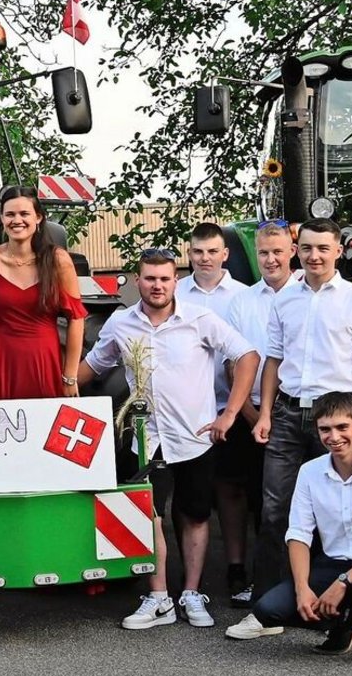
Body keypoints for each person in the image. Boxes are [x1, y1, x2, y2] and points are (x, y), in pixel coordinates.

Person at [77, 248, 257, 630]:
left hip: (194, 435)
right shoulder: (121, 324)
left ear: (176, 280)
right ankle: (158, 598)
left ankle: (192, 593)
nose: (157, 285)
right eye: (149, 278)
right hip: (144, 437)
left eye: (164, 278)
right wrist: (49, 388)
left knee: (194, 514)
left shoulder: (199, 319)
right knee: (149, 515)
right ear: (137, 280)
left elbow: (247, 356)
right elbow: (91, 369)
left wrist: (229, 413)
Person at [252, 218, 352, 601]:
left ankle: (343, 602)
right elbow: (273, 360)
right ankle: (270, 603)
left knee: (341, 514)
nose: (314, 256)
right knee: (275, 510)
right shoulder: (284, 300)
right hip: (289, 415)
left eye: (323, 248)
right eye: (307, 248)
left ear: (339, 251)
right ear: (297, 250)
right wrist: (264, 414)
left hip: (337, 419)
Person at [245, 392, 352, 675]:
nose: (334, 436)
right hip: (333, 563)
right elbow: (299, 533)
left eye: (342, 427)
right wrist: (303, 590)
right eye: (325, 429)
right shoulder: (309, 472)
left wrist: (342, 583)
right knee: (268, 609)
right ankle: (343, 623)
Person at [222, 222, 303, 638]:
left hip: (305, 413)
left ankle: (313, 591)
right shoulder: (242, 300)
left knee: (313, 508)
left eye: (277, 251)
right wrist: (255, 416)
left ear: (292, 249)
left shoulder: (310, 292)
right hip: (256, 415)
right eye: (263, 253)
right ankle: (269, 594)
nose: (270, 260)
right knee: (267, 509)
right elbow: (234, 361)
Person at [176, 221, 253, 607]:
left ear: (225, 254)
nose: (204, 259)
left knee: (232, 491)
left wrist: (239, 410)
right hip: (185, 415)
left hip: (228, 409)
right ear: (188, 254)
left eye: (212, 252)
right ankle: (190, 579)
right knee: (190, 500)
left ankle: (236, 568)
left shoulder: (243, 297)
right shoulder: (172, 293)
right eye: (197, 252)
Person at [0, 186, 85, 401]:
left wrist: (70, 376)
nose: (17, 220)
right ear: (2, 219)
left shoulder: (58, 260)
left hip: (45, 361)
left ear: (38, 218)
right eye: (10, 214)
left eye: (24, 214)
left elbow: (76, 319)